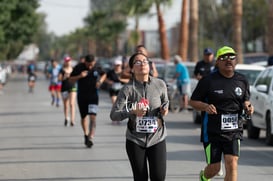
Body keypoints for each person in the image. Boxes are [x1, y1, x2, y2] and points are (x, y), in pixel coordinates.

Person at [189, 46, 254, 181]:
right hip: (212, 131)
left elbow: (245, 100)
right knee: (215, 169)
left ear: (236, 61)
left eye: (232, 57)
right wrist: (205, 106)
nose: (228, 60)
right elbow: (193, 102)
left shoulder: (242, 80)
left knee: (232, 164)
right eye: (224, 57)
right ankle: (204, 176)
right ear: (217, 62)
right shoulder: (207, 81)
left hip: (234, 130)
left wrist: (248, 106)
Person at [110, 52, 169, 181]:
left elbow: (165, 101)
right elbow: (114, 115)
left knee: (159, 177)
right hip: (135, 140)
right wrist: (132, 111)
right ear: (132, 68)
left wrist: (164, 109)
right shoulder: (127, 89)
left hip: (157, 138)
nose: (142, 64)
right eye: (137, 62)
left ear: (149, 66)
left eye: (145, 61)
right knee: (140, 178)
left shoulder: (160, 84)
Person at [69, 54, 106, 148]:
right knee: (84, 117)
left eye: (92, 64)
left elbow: (104, 74)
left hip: (93, 96)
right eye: (88, 64)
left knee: (93, 117)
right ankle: (86, 135)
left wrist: (100, 81)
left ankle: (90, 137)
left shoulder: (97, 66)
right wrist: (79, 76)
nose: (90, 66)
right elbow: (70, 79)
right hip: (82, 96)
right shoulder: (78, 67)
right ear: (85, 62)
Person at [58, 56, 77, 126]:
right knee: (66, 105)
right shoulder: (62, 70)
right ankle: (66, 118)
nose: (68, 62)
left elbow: (77, 78)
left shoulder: (74, 69)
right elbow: (59, 79)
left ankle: (72, 120)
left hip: (73, 88)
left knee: (72, 104)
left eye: (69, 61)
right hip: (64, 88)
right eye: (66, 61)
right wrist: (64, 77)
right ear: (65, 62)